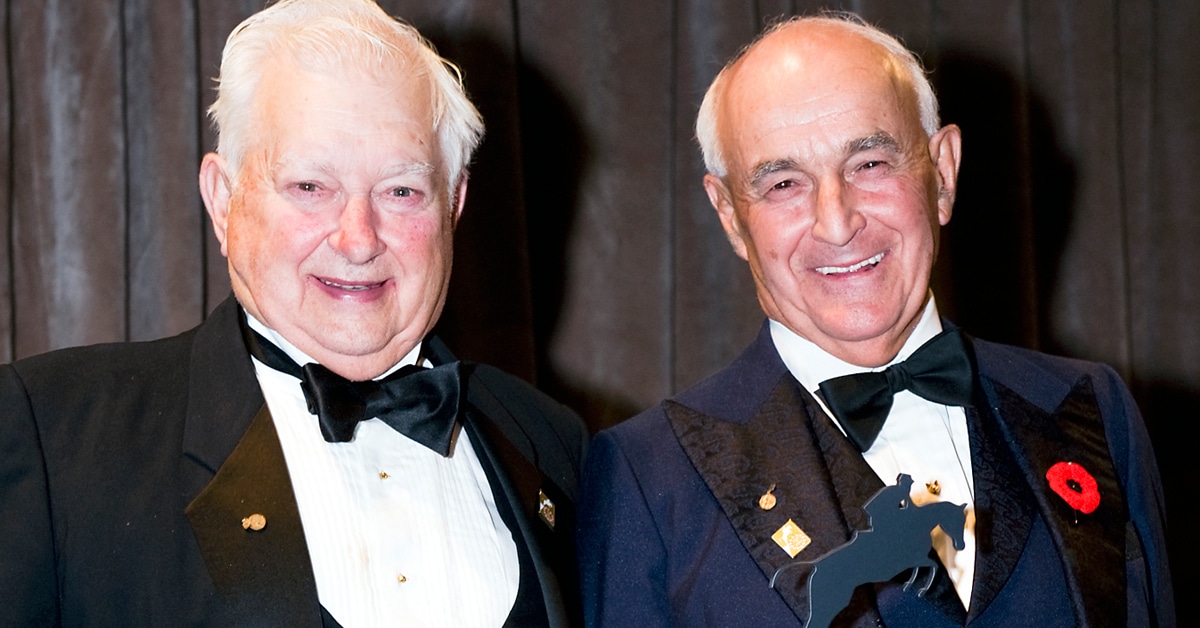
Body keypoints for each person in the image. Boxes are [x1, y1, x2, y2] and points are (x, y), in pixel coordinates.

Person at [577, 13, 1173, 627]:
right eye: (783, 183)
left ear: (942, 172)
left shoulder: (1091, 410)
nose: (836, 222)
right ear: (730, 215)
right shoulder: (648, 480)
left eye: (869, 164)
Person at [0, 0, 586, 625]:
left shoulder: (553, 443)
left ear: (455, 204)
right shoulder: (52, 437)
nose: (359, 239)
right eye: (310, 186)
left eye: (401, 191)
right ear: (224, 201)